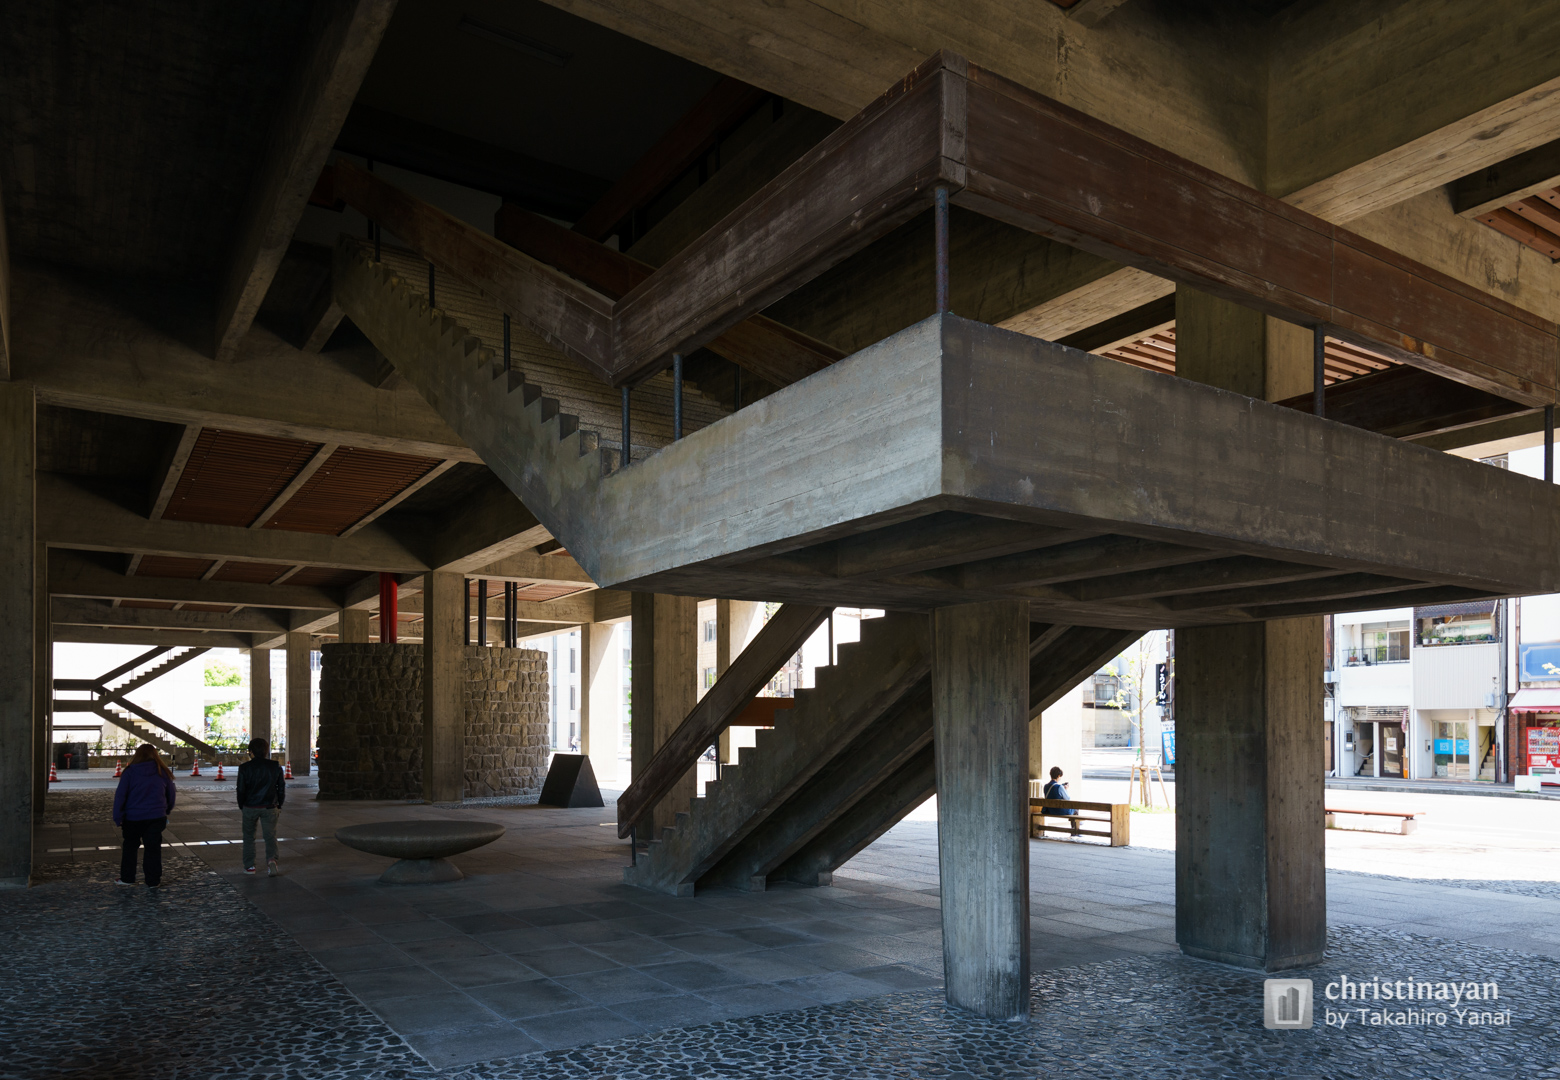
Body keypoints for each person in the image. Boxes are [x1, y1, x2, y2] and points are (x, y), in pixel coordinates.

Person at [112, 744, 177, 887]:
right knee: (153, 848)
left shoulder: (129, 772)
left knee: (130, 848)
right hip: (156, 817)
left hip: (132, 817)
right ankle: (153, 881)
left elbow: (120, 796)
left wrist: (118, 816)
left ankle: (127, 878)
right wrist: (166, 810)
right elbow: (171, 794)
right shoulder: (162, 771)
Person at [237, 738, 286, 876]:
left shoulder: (244, 768)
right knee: (270, 836)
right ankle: (272, 861)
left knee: (248, 837)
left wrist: (242, 805)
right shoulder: (275, 766)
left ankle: (250, 866)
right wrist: (279, 804)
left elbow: (240, 789)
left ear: (251, 752)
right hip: (270, 806)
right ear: (266, 751)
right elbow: (281, 788)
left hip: (250, 806)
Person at [1042, 766, 1081, 836]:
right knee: (1075, 810)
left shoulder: (1045, 786)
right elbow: (1068, 799)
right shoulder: (1059, 787)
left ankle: (1076, 829)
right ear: (1058, 776)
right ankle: (1075, 832)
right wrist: (1065, 789)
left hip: (1050, 810)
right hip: (1059, 811)